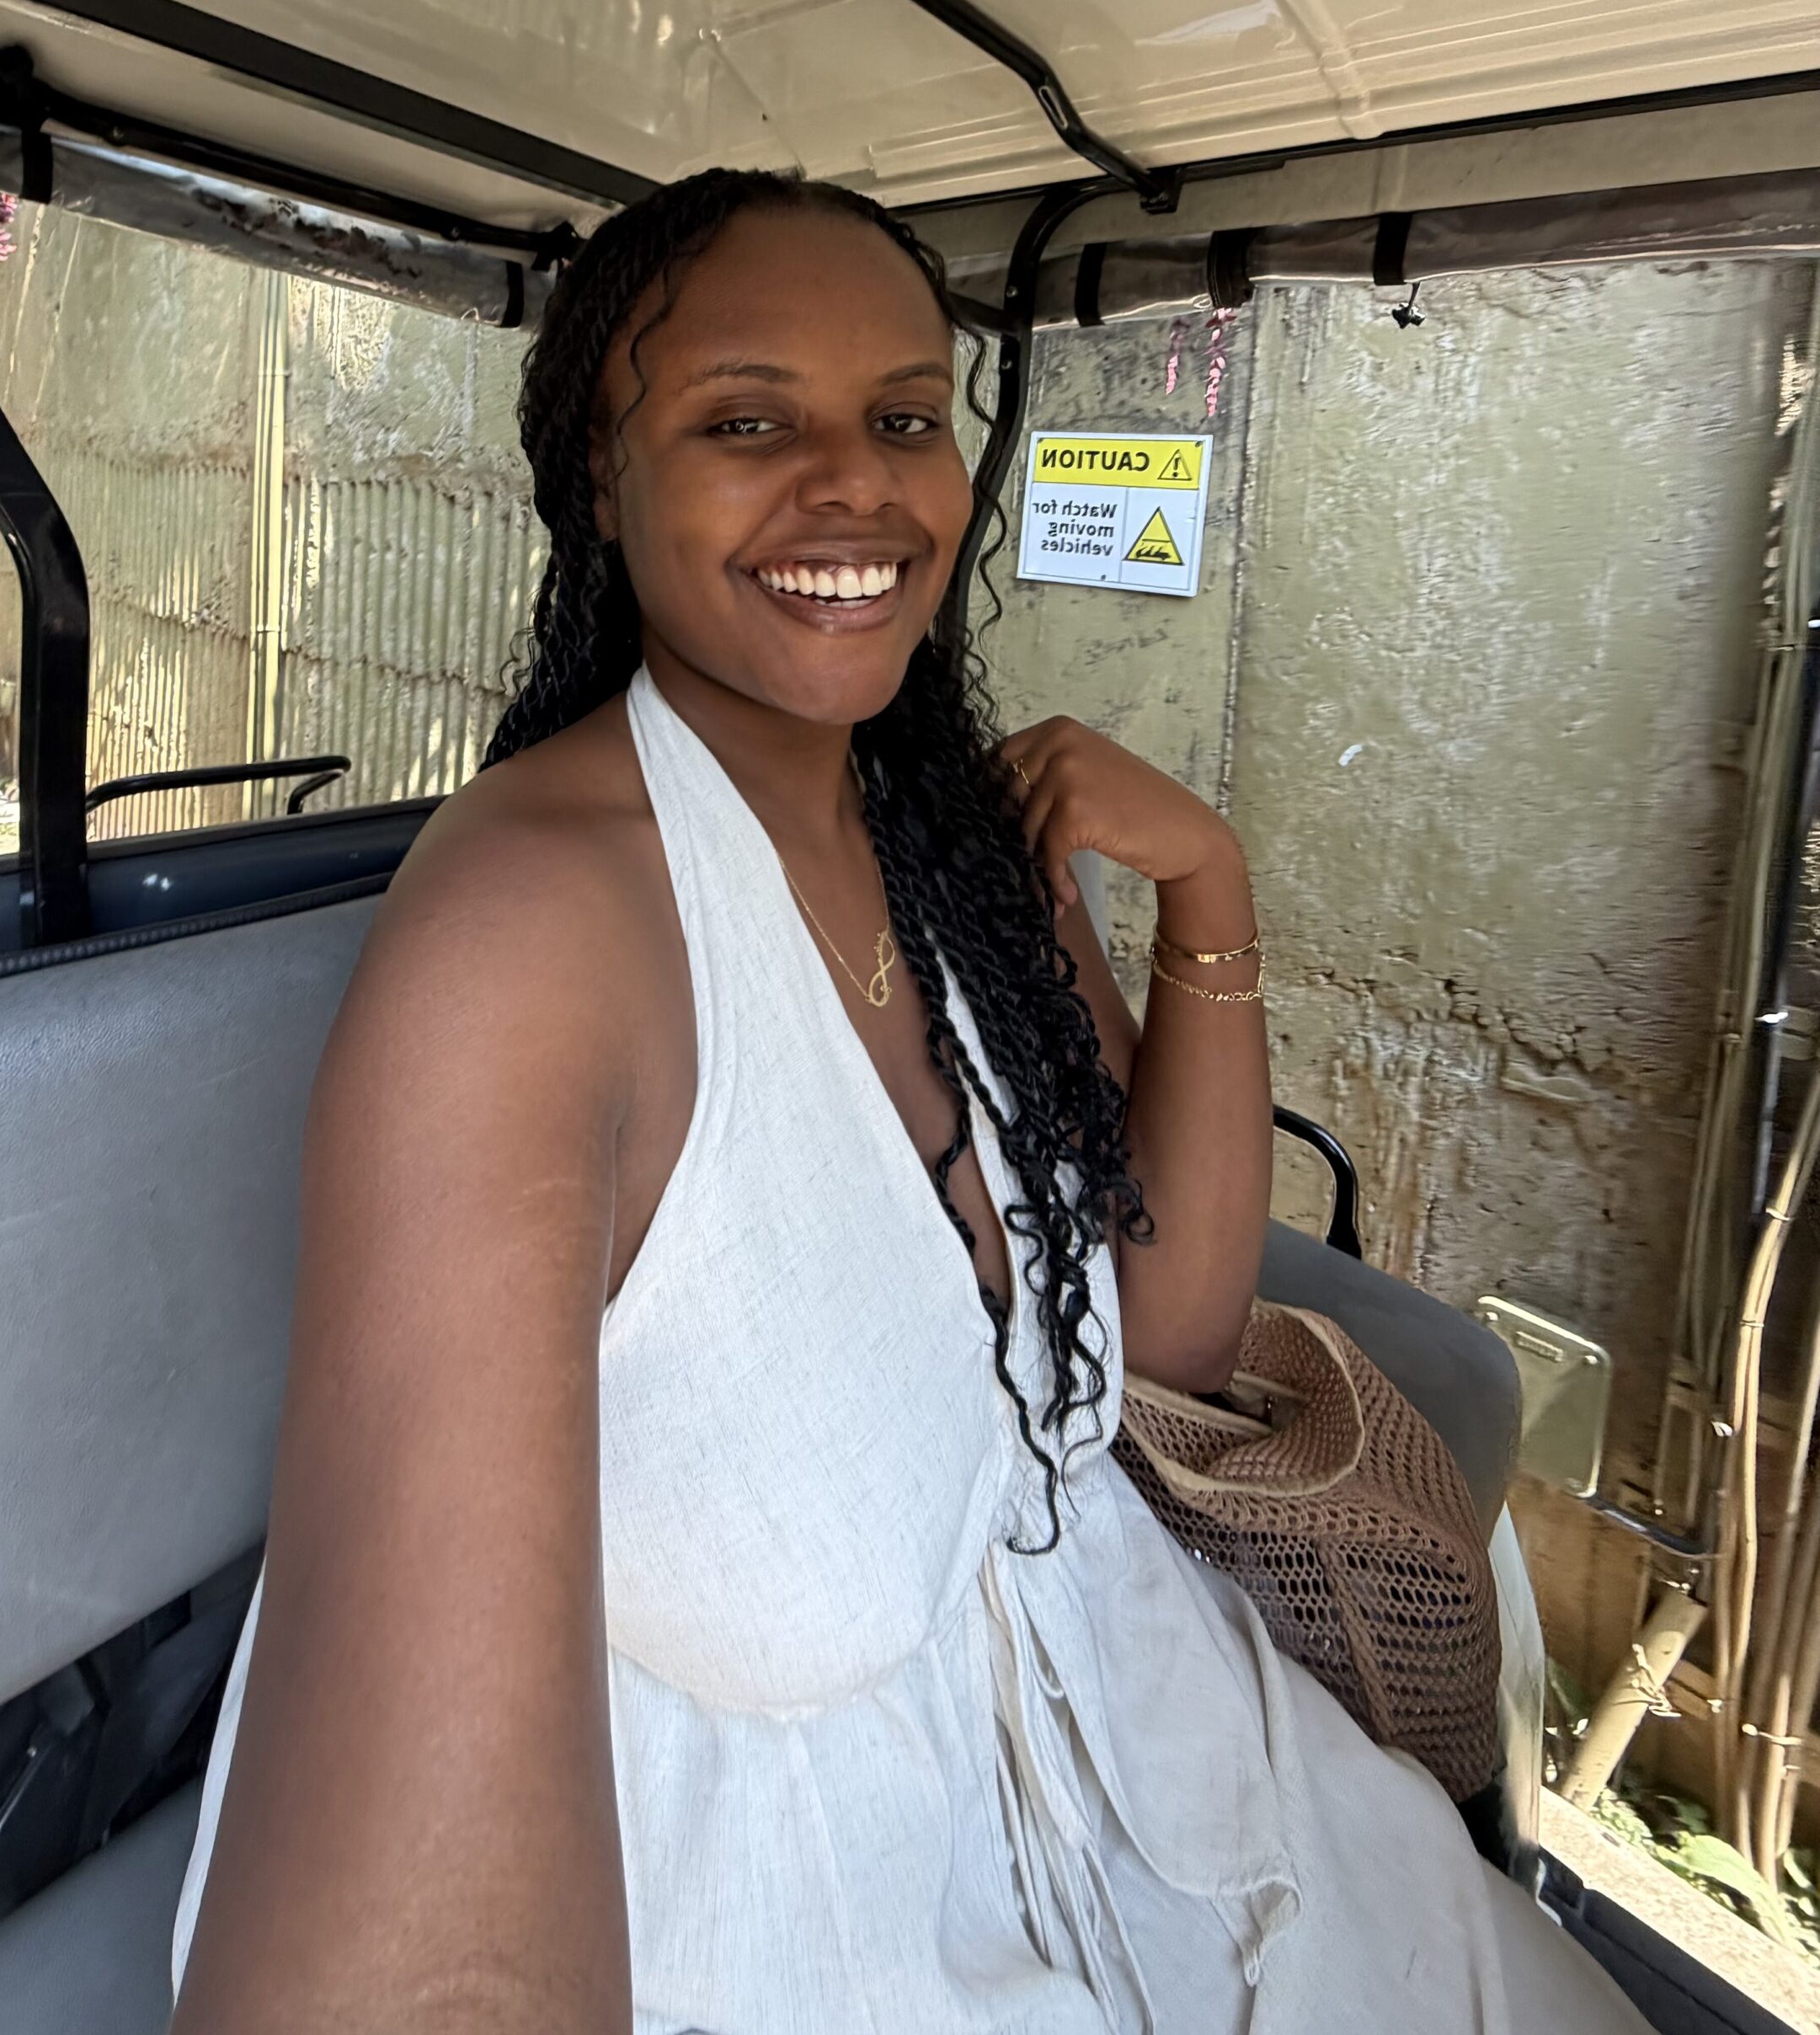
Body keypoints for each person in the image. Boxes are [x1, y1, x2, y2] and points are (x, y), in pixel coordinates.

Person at [168, 169, 1647, 2034]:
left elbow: (1161, 1321)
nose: (854, 483)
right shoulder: (528, 937)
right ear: (598, 485)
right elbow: (407, 1946)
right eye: (745, 419)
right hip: (806, 1921)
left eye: (898, 416)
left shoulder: (951, 837)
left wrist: (1205, 881)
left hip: (1149, 1745)